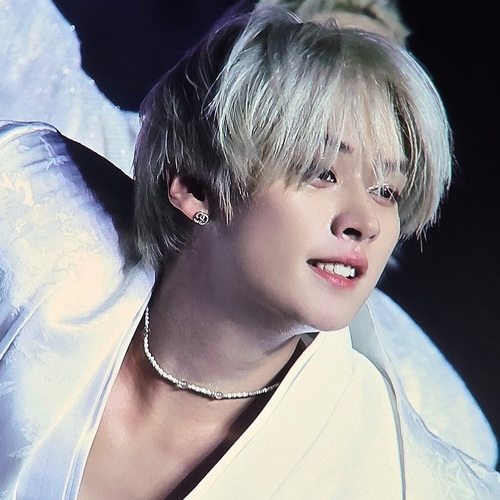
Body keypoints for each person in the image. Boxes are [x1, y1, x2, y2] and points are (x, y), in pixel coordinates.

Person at [1, 7, 499, 498]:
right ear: (195, 187)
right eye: (322, 172)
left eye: (386, 191)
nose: (365, 223)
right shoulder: (28, 225)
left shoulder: (402, 477)